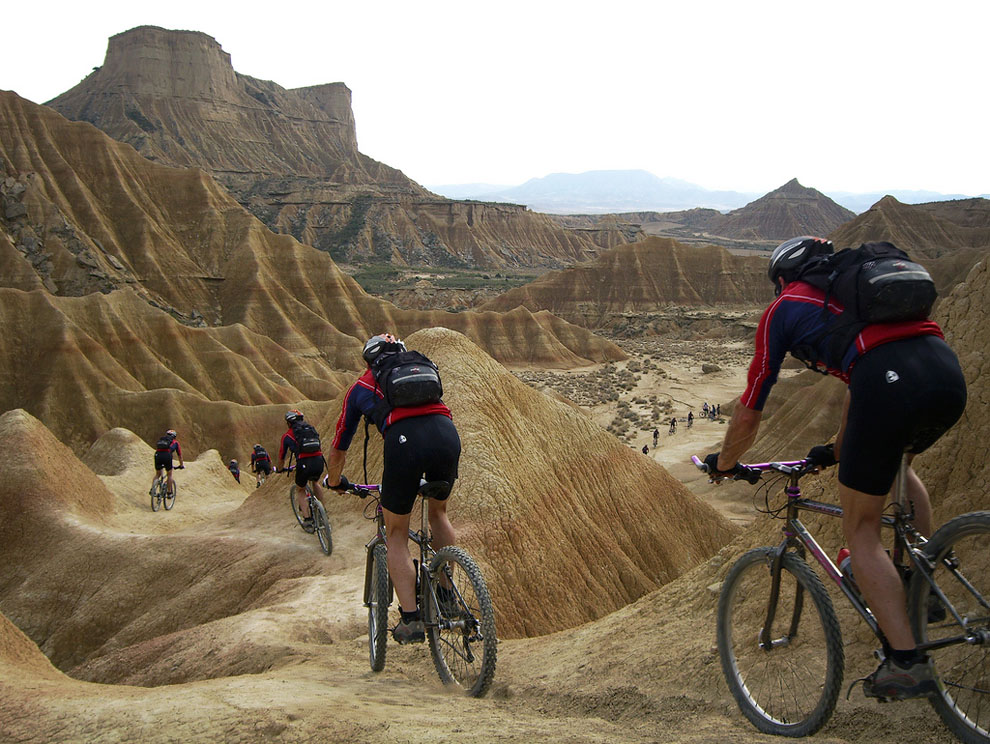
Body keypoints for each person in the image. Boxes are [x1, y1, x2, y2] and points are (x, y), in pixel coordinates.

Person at [704, 236, 967, 701]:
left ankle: (906, 663)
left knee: (861, 530)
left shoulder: (784, 308)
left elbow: (750, 409)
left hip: (887, 386)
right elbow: (857, 387)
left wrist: (725, 464)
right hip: (946, 375)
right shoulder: (856, 300)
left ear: (783, 278)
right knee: (898, 468)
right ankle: (920, 584)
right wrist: (837, 448)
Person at [324, 333, 461, 645]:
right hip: (447, 435)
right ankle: (447, 595)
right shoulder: (421, 366)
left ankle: (412, 620)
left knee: (397, 533)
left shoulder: (360, 387)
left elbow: (339, 449)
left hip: (404, 444)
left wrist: (334, 482)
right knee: (438, 514)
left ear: (370, 360)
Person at [277, 410, 326, 528]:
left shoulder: (287, 435)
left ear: (289, 423)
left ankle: (308, 519)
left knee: (300, 489)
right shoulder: (311, 429)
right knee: (315, 482)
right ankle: (323, 513)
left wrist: (280, 469)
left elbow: (281, 456)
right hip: (319, 460)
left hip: (304, 463)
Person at [149, 429, 184, 496]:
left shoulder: (161, 440)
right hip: (167, 456)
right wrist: (181, 465)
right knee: (169, 474)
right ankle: (169, 492)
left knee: (158, 474)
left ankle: (152, 489)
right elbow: (180, 455)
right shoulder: (175, 443)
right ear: (175, 436)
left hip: (158, 455)